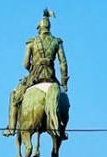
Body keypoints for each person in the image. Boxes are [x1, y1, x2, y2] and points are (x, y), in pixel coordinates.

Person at [6, 10, 69, 138]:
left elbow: (25, 63)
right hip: (51, 77)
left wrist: (32, 69)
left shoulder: (31, 42)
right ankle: (62, 129)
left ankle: (11, 127)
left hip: (35, 76)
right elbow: (63, 63)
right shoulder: (57, 42)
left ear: (39, 28)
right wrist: (63, 82)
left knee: (14, 95)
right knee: (63, 99)